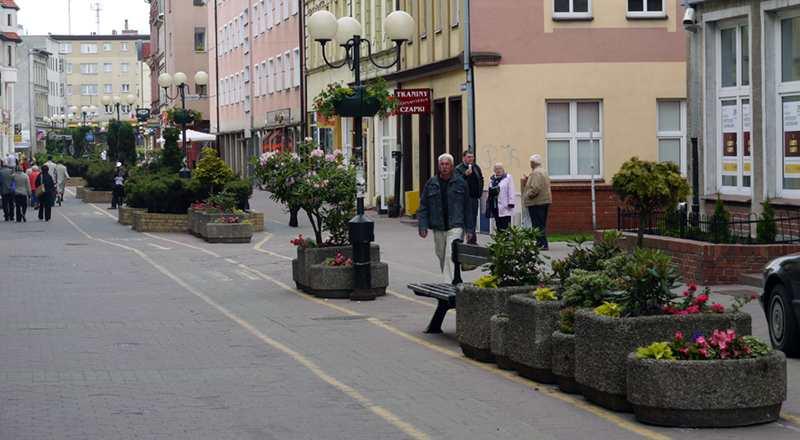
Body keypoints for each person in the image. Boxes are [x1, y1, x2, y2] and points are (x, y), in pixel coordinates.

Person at [418, 153, 475, 282]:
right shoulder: (431, 183)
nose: (444, 167)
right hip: (438, 226)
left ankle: (448, 285)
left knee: (450, 255)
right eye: (442, 164)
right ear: (439, 166)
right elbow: (423, 206)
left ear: (452, 166)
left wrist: (470, 229)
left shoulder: (460, 183)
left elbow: (467, 207)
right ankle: (451, 279)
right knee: (441, 254)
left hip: (455, 225)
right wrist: (423, 225)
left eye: (447, 164)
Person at [522, 154, 552, 250]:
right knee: (541, 223)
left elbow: (536, 188)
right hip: (544, 201)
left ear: (533, 163)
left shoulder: (536, 173)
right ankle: (542, 243)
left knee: (537, 224)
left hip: (537, 202)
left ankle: (542, 244)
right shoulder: (543, 171)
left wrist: (528, 195)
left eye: (530, 162)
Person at [455, 150, 484, 244]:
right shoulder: (459, 168)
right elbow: (456, 182)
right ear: (463, 158)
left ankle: (472, 240)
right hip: (463, 199)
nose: (471, 159)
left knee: (473, 218)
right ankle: (459, 240)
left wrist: (480, 192)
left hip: (474, 197)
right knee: (464, 219)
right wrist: (465, 175)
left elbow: (481, 178)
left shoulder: (476, 167)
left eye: (472, 157)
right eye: (469, 157)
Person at [486, 163, 515, 231]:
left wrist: (511, 202)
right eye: (496, 169)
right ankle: (500, 239)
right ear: (494, 170)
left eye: (500, 168)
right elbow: (489, 190)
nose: (498, 170)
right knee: (498, 223)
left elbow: (511, 190)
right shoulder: (492, 179)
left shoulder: (508, 177)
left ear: (503, 169)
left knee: (505, 224)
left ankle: (506, 240)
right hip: (495, 206)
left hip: (505, 206)